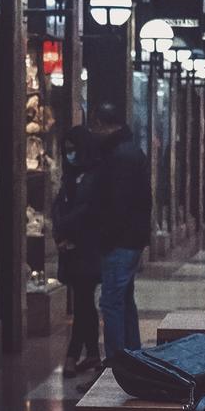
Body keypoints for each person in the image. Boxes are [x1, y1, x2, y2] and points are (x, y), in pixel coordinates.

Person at [89, 101, 152, 361]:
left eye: (95, 126)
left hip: (120, 241)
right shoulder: (129, 151)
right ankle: (133, 357)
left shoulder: (119, 156)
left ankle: (117, 363)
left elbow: (117, 203)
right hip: (130, 238)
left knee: (112, 301)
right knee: (124, 300)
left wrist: (105, 238)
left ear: (103, 125)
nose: (93, 131)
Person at [52, 125, 102, 378]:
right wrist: (59, 235)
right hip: (71, 250)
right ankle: (92, 352)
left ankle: (73, 354)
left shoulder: (94, 176)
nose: (69, 154)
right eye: (66, 150)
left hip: (87, 249)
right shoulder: (69, 177)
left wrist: (65, 227)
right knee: (84, 303)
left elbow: (88, 211)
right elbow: (59, 206)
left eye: (73, 149)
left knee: (82, 302)